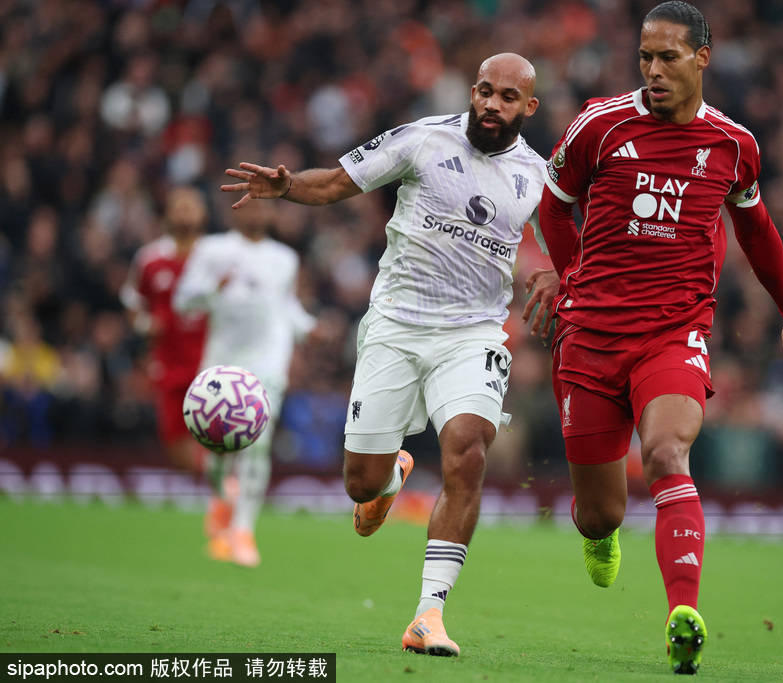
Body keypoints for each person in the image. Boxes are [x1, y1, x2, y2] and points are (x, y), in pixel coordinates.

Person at [219, 53, 557, 656]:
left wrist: (559, 271)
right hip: (396, 325)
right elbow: (338, 182)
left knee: (468, 451)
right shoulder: (423, 139)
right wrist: (287, 186)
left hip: (473, 334)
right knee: (360, 483)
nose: (491, 104)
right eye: (484, 91)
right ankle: (389, 476)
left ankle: (429, 614)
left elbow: (568, 240)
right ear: (472, 90)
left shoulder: (537, 174)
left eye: (507, 97)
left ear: (528, 107)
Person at [536, 2, 783, 675]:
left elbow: (757, 230)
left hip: (673, 332)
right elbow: (553, 204)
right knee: (601, 514)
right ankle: (596, 532)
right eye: (645, 57)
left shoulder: (734, 145)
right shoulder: (599, 125)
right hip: (591, 336)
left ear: (702, 58)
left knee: (667, 452)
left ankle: (682, 615)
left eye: (668, 57)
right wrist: (570, 280)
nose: (654, 70)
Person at [172, 199, 317, 567]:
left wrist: (309, 328)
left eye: (263, 207)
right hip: (221, 366)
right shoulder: (212, 249)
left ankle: (243, 530)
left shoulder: (284, 257)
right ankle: (224, 498)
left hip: (268, 362)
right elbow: (182, 301)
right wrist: (213, 289)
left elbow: (285, 306)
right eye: (249, 207)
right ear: (234, 211)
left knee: (258, 443)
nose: (256, 213)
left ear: (272, 213)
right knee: (217, 451)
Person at [121, 186, 208, 473]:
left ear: (203, 214)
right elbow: (132, 302)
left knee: (215, 433)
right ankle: (207, 484)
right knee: (174, 443)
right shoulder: (150, 258)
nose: (185, 213)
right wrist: (146, 325)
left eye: (190, 206)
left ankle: (218, 489)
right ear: (168, 214)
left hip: (210, 362)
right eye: (179, 207)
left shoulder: (215, 257)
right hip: (168, 363)